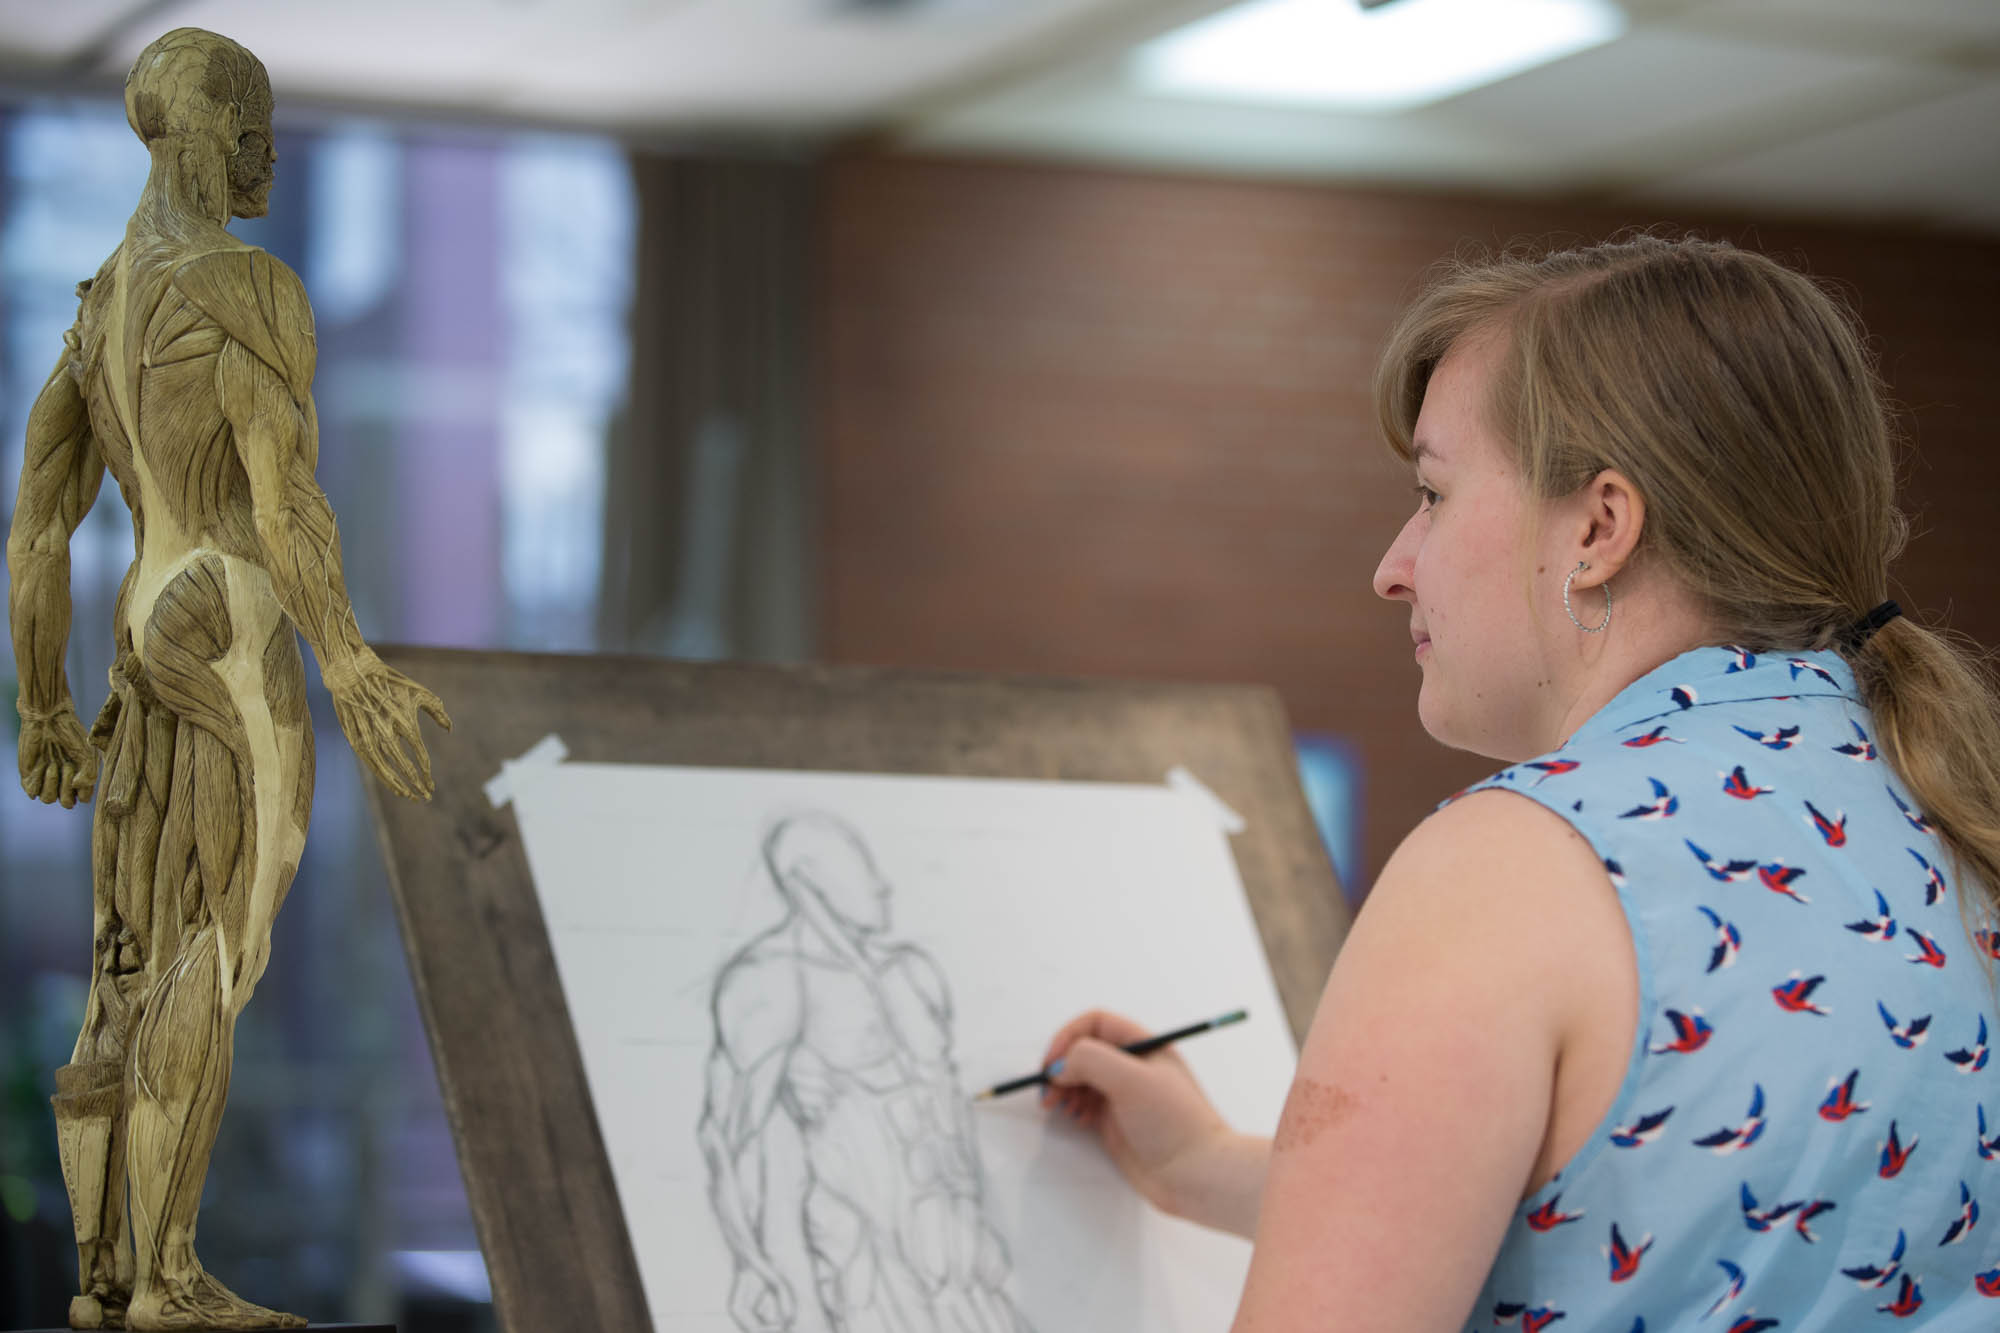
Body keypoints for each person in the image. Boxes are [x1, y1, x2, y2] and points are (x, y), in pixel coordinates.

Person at [1039, 234, 2000, 1329]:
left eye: (1432, 495)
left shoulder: (1512, 865)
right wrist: (1202, 1164)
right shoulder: (1943, 811)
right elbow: (1688, 1200)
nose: (1392, 564)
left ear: (1596, 528)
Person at [7, 28, 447, 1331]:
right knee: (218, 947)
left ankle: (99, 1280)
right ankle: (168, 1278)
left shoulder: (99, 309)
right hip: (231, 624)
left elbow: (39, 527)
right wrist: (350, 655)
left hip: (143, 626)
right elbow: (286, 494)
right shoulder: (243, 288)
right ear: (214, 130)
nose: (267, 154)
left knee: (123, 958)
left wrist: (42, 698)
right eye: (255, 127)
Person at [698, 812, 1030, 1333]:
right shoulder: (773, 980)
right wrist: (758, 1267)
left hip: (957, 1249)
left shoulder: (911, 971)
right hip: (864, 1252)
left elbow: (949, 1112)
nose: (882, 884)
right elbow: (739, 1144)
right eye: (858, 868)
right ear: (808, 880)